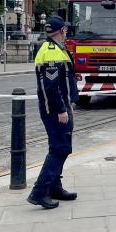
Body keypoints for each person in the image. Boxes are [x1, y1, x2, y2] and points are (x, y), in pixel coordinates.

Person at [27, 15, 80, 209]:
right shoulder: (51, 52)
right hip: (56, 109)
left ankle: (54, 187)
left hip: (61, 106)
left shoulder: (55, 49)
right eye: (65, 29)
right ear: (62, 31)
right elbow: (51, 86)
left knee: (58, 147)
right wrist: (61, 110)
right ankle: (39, 192)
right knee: (60, 148)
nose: (67, 32)